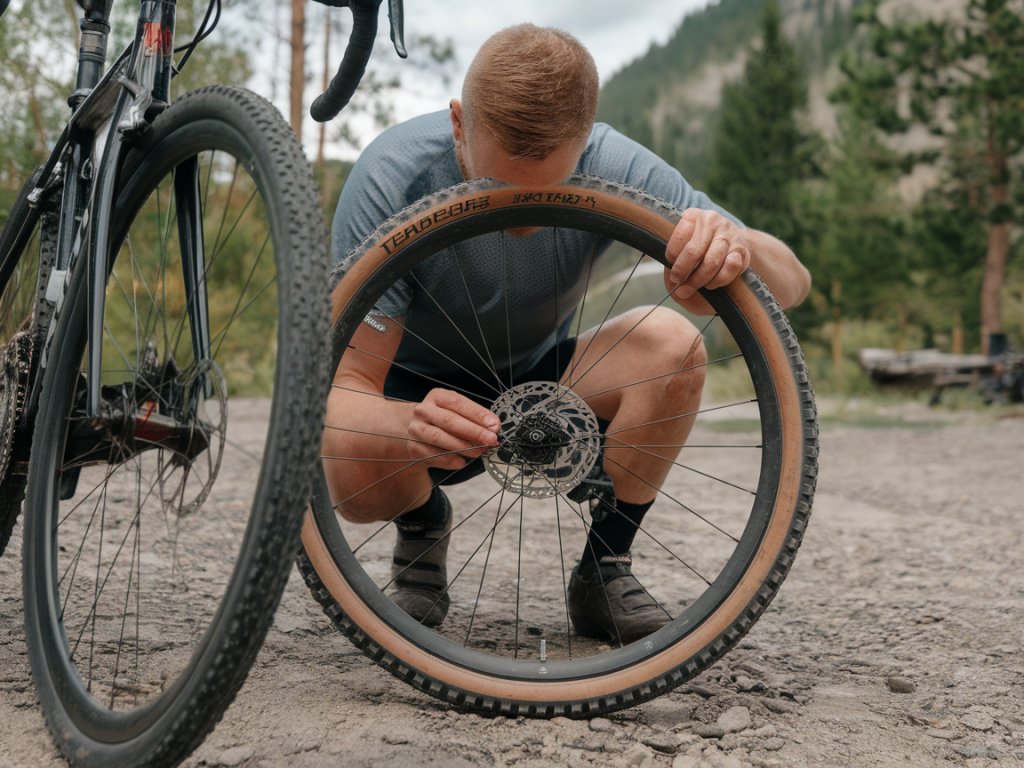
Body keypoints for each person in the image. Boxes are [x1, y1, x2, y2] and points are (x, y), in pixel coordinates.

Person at [324, 24, 810, 644]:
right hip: (407, 399)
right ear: (457, 124)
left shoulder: (613, 162)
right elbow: (342, 392)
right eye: (497, 190)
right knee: (350, 462)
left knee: (672, 343)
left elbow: (792, 283)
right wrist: (402, 424)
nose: (521, 213)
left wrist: (732, 247)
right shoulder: (391, 177)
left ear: (585, 142)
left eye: (545, 191)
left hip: (540, 379)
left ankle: (605, 568)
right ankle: (422, 522)